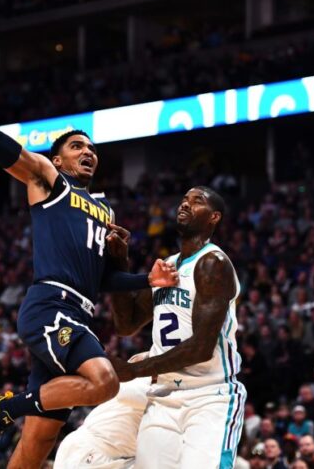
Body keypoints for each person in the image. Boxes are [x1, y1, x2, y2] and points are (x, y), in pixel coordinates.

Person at [0, 50, 178, 468]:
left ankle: (12, 413)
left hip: (80, 310)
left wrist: (148, 280)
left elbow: (105, 280)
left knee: (37, 446)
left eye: (92, 148)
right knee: (104, 382)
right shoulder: (48, 180)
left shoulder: (106, 211)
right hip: (51, 308)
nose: (88, 152)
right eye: (77, 146)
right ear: (57, 159)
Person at [107, 187, 246, 468]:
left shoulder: (212, 263)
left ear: (214, 217)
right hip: (164, 395)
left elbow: (201, 348)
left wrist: (133, 370)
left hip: (209, 396)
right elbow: (126, 325)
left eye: (197, 202)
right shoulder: (168, 265)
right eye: (183, 199)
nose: (185, 204)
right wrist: (119, 263)